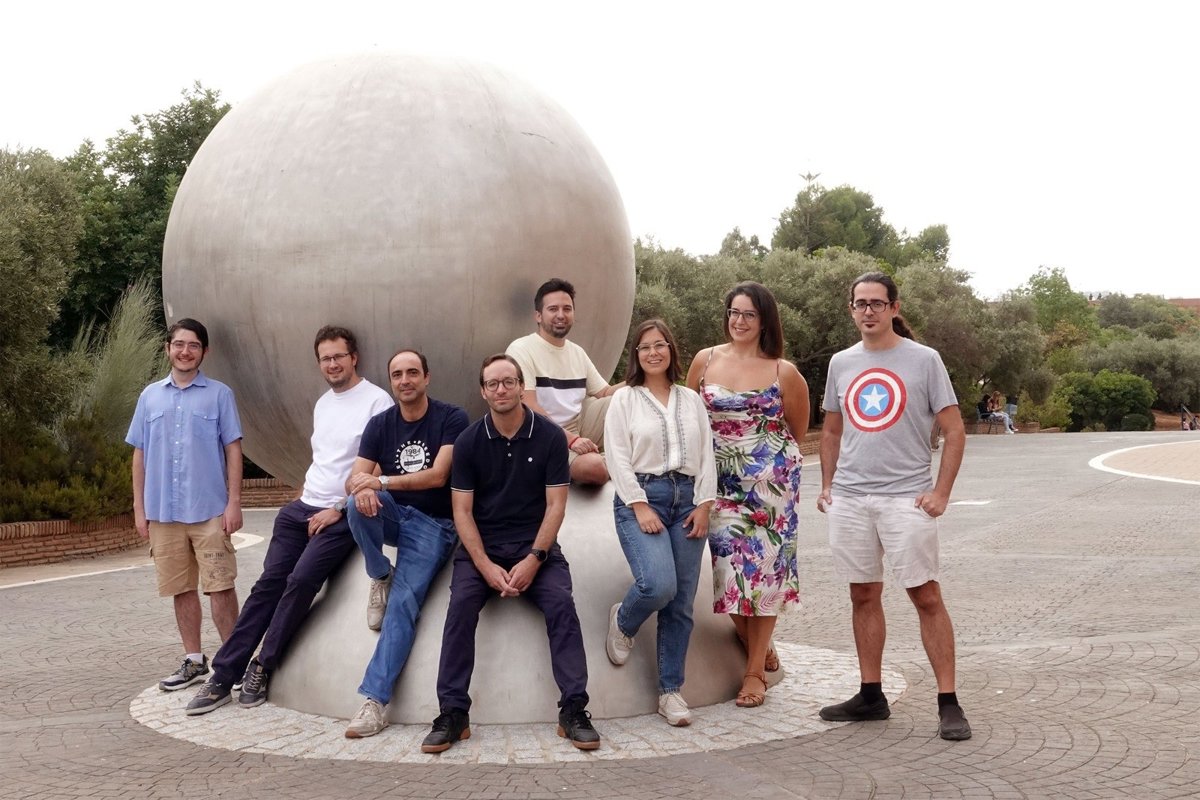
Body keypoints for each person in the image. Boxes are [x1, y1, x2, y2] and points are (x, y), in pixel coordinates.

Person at [186, 326, 392, 715]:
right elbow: (324, 459)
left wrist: (338, 507)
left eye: (338, 356)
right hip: (302, 508)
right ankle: (221, 677)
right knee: (267, 586)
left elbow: (375, 467)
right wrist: (300, 499)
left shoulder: (376, 402)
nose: (332, 364)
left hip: (342, 513)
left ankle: (264, 665)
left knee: (301, 582)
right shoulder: (323, 403)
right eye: (325, 358)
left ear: (354, 358)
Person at [816, 271, 971, 741]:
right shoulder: (842, 363)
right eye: (860, 303)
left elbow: (954, 429)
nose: (868, 311)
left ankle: (948, 702)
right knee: (862, 594)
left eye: (877, 303)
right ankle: (871, 694)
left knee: (925, 596)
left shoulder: (924, 361)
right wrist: (828, 486)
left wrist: (940, 493)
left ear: (894, 308)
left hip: (906, 498)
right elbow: (831, 431)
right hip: (851, 498)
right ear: (851, 310)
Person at [421, 355, 600, 753]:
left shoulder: (551, 437)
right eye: (492, 384)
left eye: (508, 382)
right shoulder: (468, 442)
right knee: (460, 606)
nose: (501, 390)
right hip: (481, 547)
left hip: (534, 544)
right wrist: (484, 566)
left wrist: (535, 558)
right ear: (483, 391)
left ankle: (573, 709)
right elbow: (461, 512)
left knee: (561, 604)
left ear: (521, 386)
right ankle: (453, 713)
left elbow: (556, 506)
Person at [685, 281, 809, 708]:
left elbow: (797, 429)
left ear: (764, 321)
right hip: (717, 482)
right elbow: (689, 418)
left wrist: (766, 463)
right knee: (728, 570)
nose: (739, 321)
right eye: (734, 313)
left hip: (772, 486)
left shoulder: (783, 371)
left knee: (766, 575)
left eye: (748, 315)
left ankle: (754, 670)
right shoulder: (704, 361)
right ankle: (754, 639)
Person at [342, 349, 468, 739]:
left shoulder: (451, 418)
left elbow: (437, 475)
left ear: (427, 377)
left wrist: (379, 483)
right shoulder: (380, 425)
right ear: (391, 381)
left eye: (413, 372)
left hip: (436, 526)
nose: (405, 380)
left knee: (403, 606)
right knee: (354, 504)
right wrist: (363, 490)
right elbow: (354, 479)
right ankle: (380, 573)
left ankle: (374, 701)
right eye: (397, 374)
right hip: (397, 513)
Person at [603, 320, 717, 727]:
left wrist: (704, 505)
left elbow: (706, 454)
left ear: (671, 349)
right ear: (636, 356)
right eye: (644, 347)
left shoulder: (691, 400)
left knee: (682, 602)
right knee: (658, 584)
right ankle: (624, 619)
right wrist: (639, 504)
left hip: (688, 501)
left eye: (660, 345)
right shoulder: (625, 400)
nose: (653, 353)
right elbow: (615, 455)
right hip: (643, 497)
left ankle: (670, 692)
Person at [126, 318, 244, 692]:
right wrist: (138, 508)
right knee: (181, 588)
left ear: (204, 352)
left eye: (193, 345)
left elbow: (233, 449)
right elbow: (139, 454)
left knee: (221, 586)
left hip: (209, 510)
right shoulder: (150, 397)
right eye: (179, 344)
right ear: (168, 348)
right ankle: (193, 660)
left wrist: (234, 503)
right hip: (163, 512)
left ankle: (234, 663)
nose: (185, 351)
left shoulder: (220, 395)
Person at [506, 278, 622, 485]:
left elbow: (605, 393)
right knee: (593, 469)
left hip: (579, 424)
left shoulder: (577, 352)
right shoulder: (521, 349)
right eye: (553, 309)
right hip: (544, 437)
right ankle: (613, 464)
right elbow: (529, 407)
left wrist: (641, 377)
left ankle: (620, 462)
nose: (561, 315)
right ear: (538, 316)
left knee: (628, 397)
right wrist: (572, 440)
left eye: (567, 309)